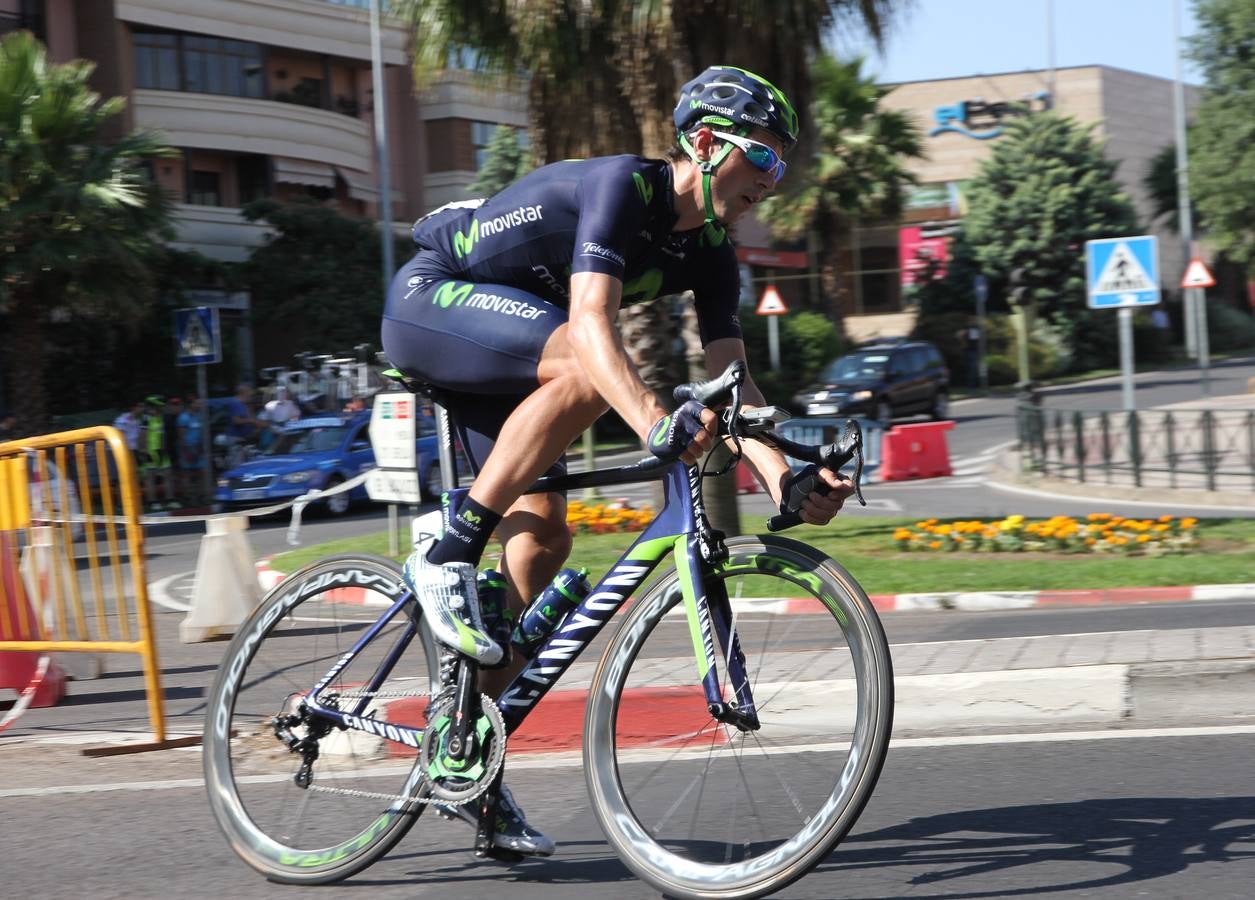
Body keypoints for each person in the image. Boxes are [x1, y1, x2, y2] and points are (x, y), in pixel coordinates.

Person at [381, 65, 854, 858]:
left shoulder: (709, 250)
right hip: (435, 301)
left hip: (511, 363)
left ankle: (465, 760)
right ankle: (448, 546)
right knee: (587, 362)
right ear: (704, 145)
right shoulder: (621, 189)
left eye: (781, 166)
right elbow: (592, 324)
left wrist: (785, 477)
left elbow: (737, 385)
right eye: (763, 160)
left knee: (539, 552)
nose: (770, 183)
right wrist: (649, 420)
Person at [177, 396, 207, 503]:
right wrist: (186, 451)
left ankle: (200, 496)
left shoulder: (198, 416)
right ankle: (187, 497)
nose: (198, 405)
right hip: (188, 448)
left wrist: (200, 448)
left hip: (198, 448)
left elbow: (200, 433)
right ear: (191, 404)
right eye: (196, 403)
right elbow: (181, 436)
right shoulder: (184, 417)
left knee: (201, 472)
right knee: (187, 474)